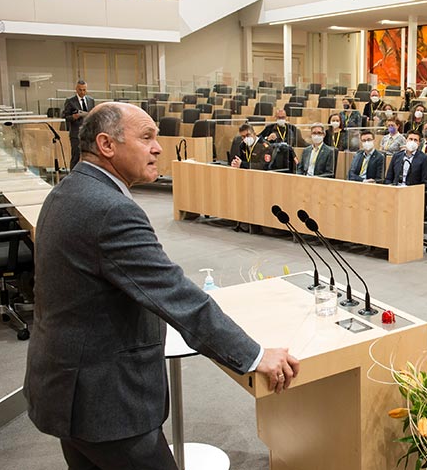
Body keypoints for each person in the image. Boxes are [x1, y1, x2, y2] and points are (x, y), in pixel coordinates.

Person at [24, 102, 299, 470]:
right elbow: (175, 295)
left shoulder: (67, 191)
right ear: (106, 145)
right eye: (146, 137)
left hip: (66, 389)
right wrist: (254, 355)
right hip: (107, 402)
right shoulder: (110, 210)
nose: (158, 147)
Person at [62, 80, 96, 170]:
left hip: (88, 133)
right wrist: (73, 117)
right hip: (75, 134)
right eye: (80, 90)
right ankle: (73, 178)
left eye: (84, 90)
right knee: (76, 156)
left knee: (89, 157)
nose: (82, 92)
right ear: (76, 89)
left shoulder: (91, 100)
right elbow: (65, 117)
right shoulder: (70, 101)